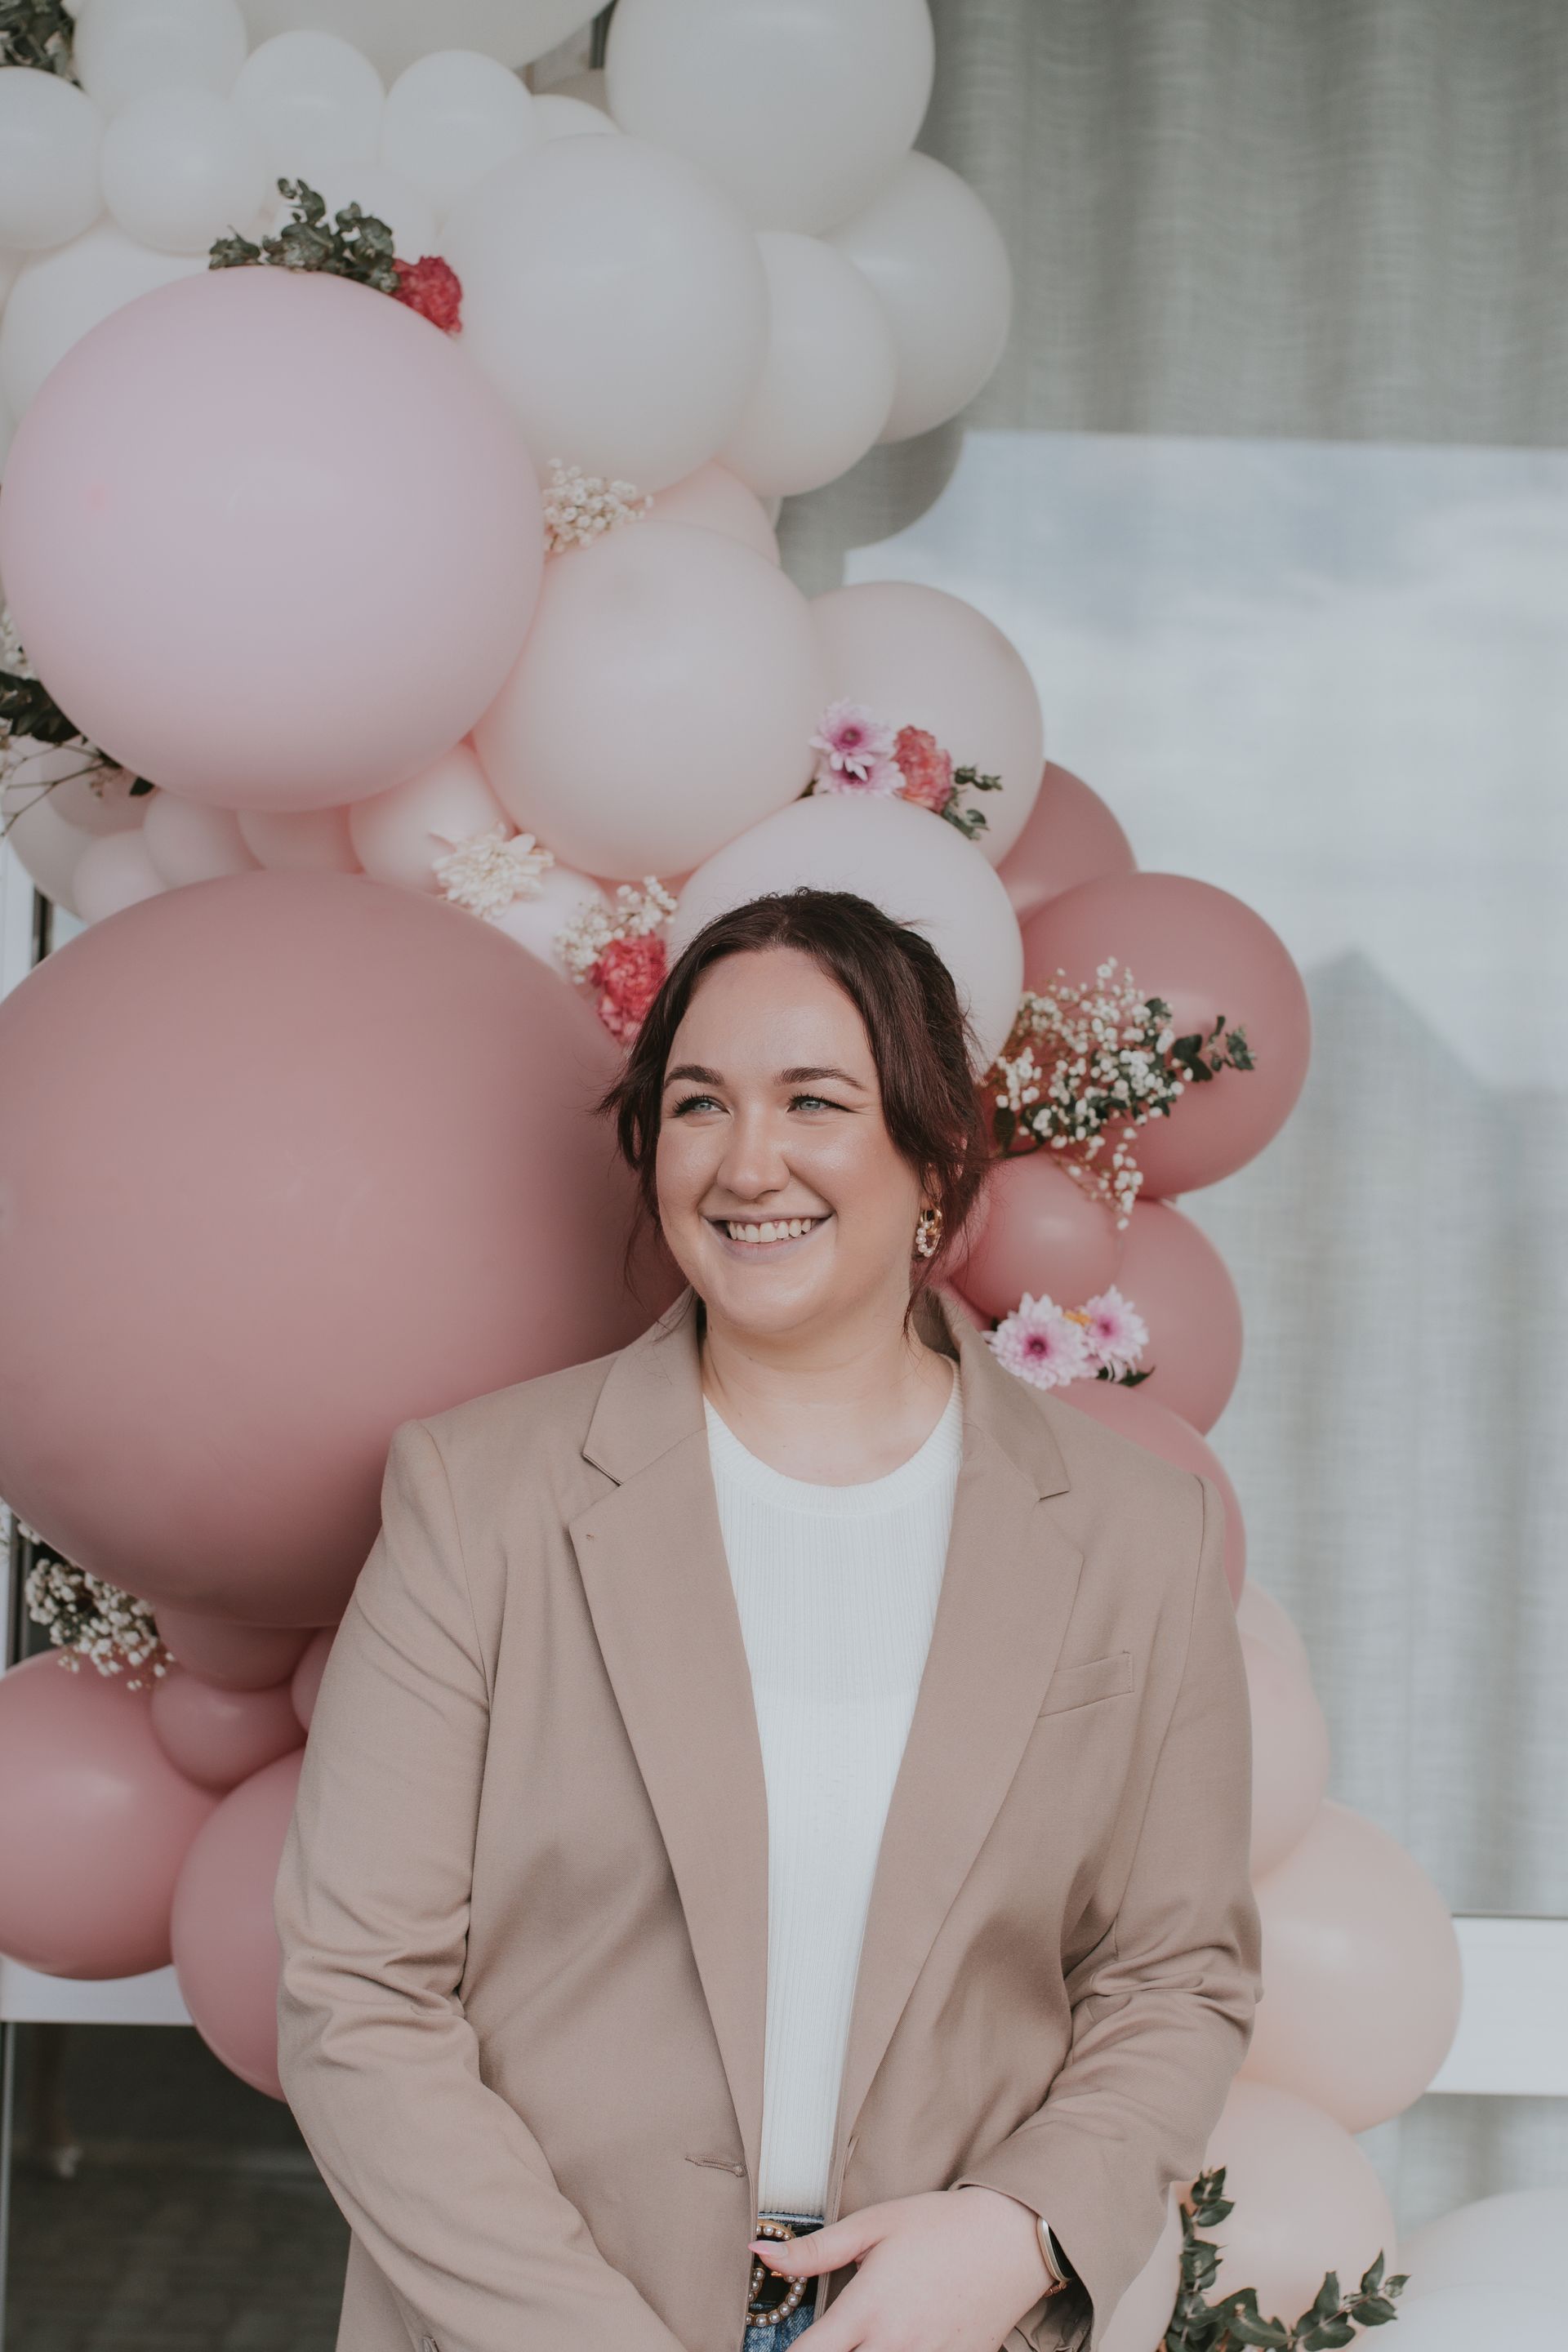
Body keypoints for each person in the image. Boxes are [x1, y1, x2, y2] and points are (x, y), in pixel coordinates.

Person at [274, 887, 1262, 2352]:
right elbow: (358, 1993)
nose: (748, 1163)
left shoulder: (1140, 1537)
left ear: (932, 1151)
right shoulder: (476, 1499)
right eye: (697, 1104)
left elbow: (1177, 1975)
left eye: (816, 1100)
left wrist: (1022, 2234)